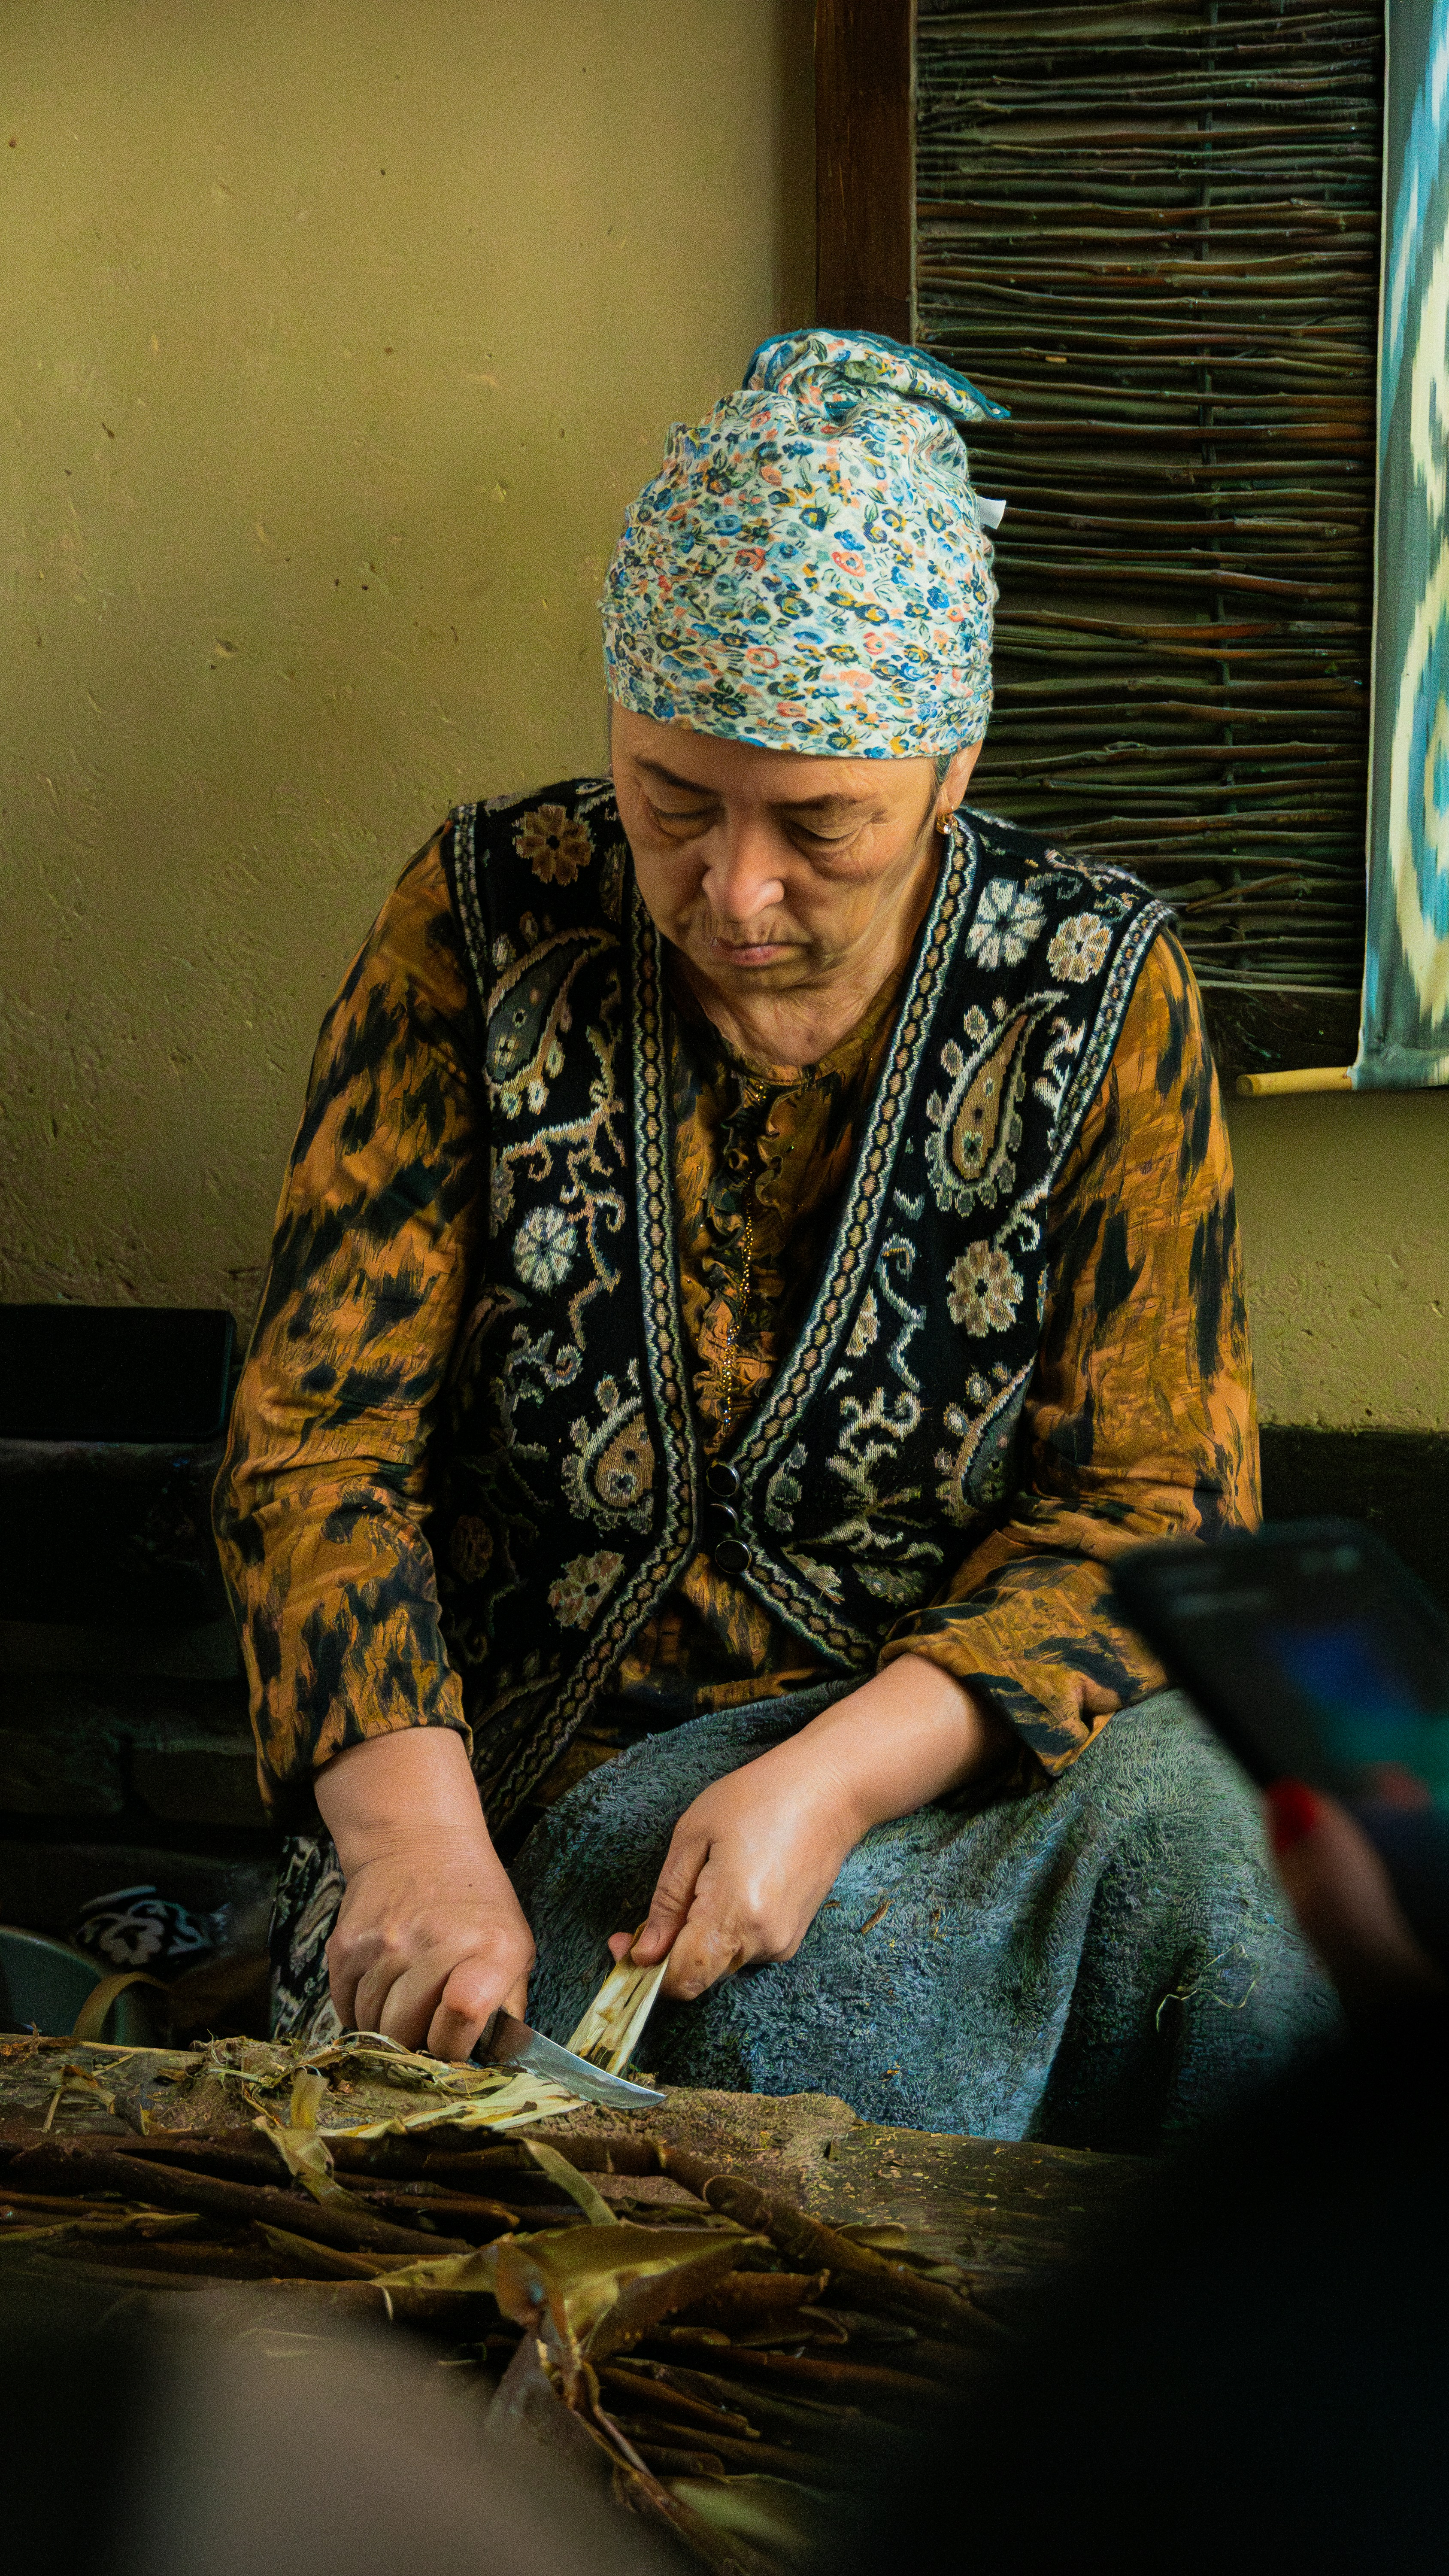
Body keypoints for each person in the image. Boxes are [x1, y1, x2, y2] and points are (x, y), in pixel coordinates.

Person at [214, 329, 1336, 2148]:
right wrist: (409, 1840)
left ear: (947, 770)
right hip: (513, 1812)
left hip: (938, 1781)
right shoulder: (481, 925)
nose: (735, 892)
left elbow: (1154, 1509)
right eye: (675, 801)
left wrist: (832, 1774)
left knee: (1233, 1877)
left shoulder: (1094, 988)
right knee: (757, 2053)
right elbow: (316, 1448)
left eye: (822, 826)